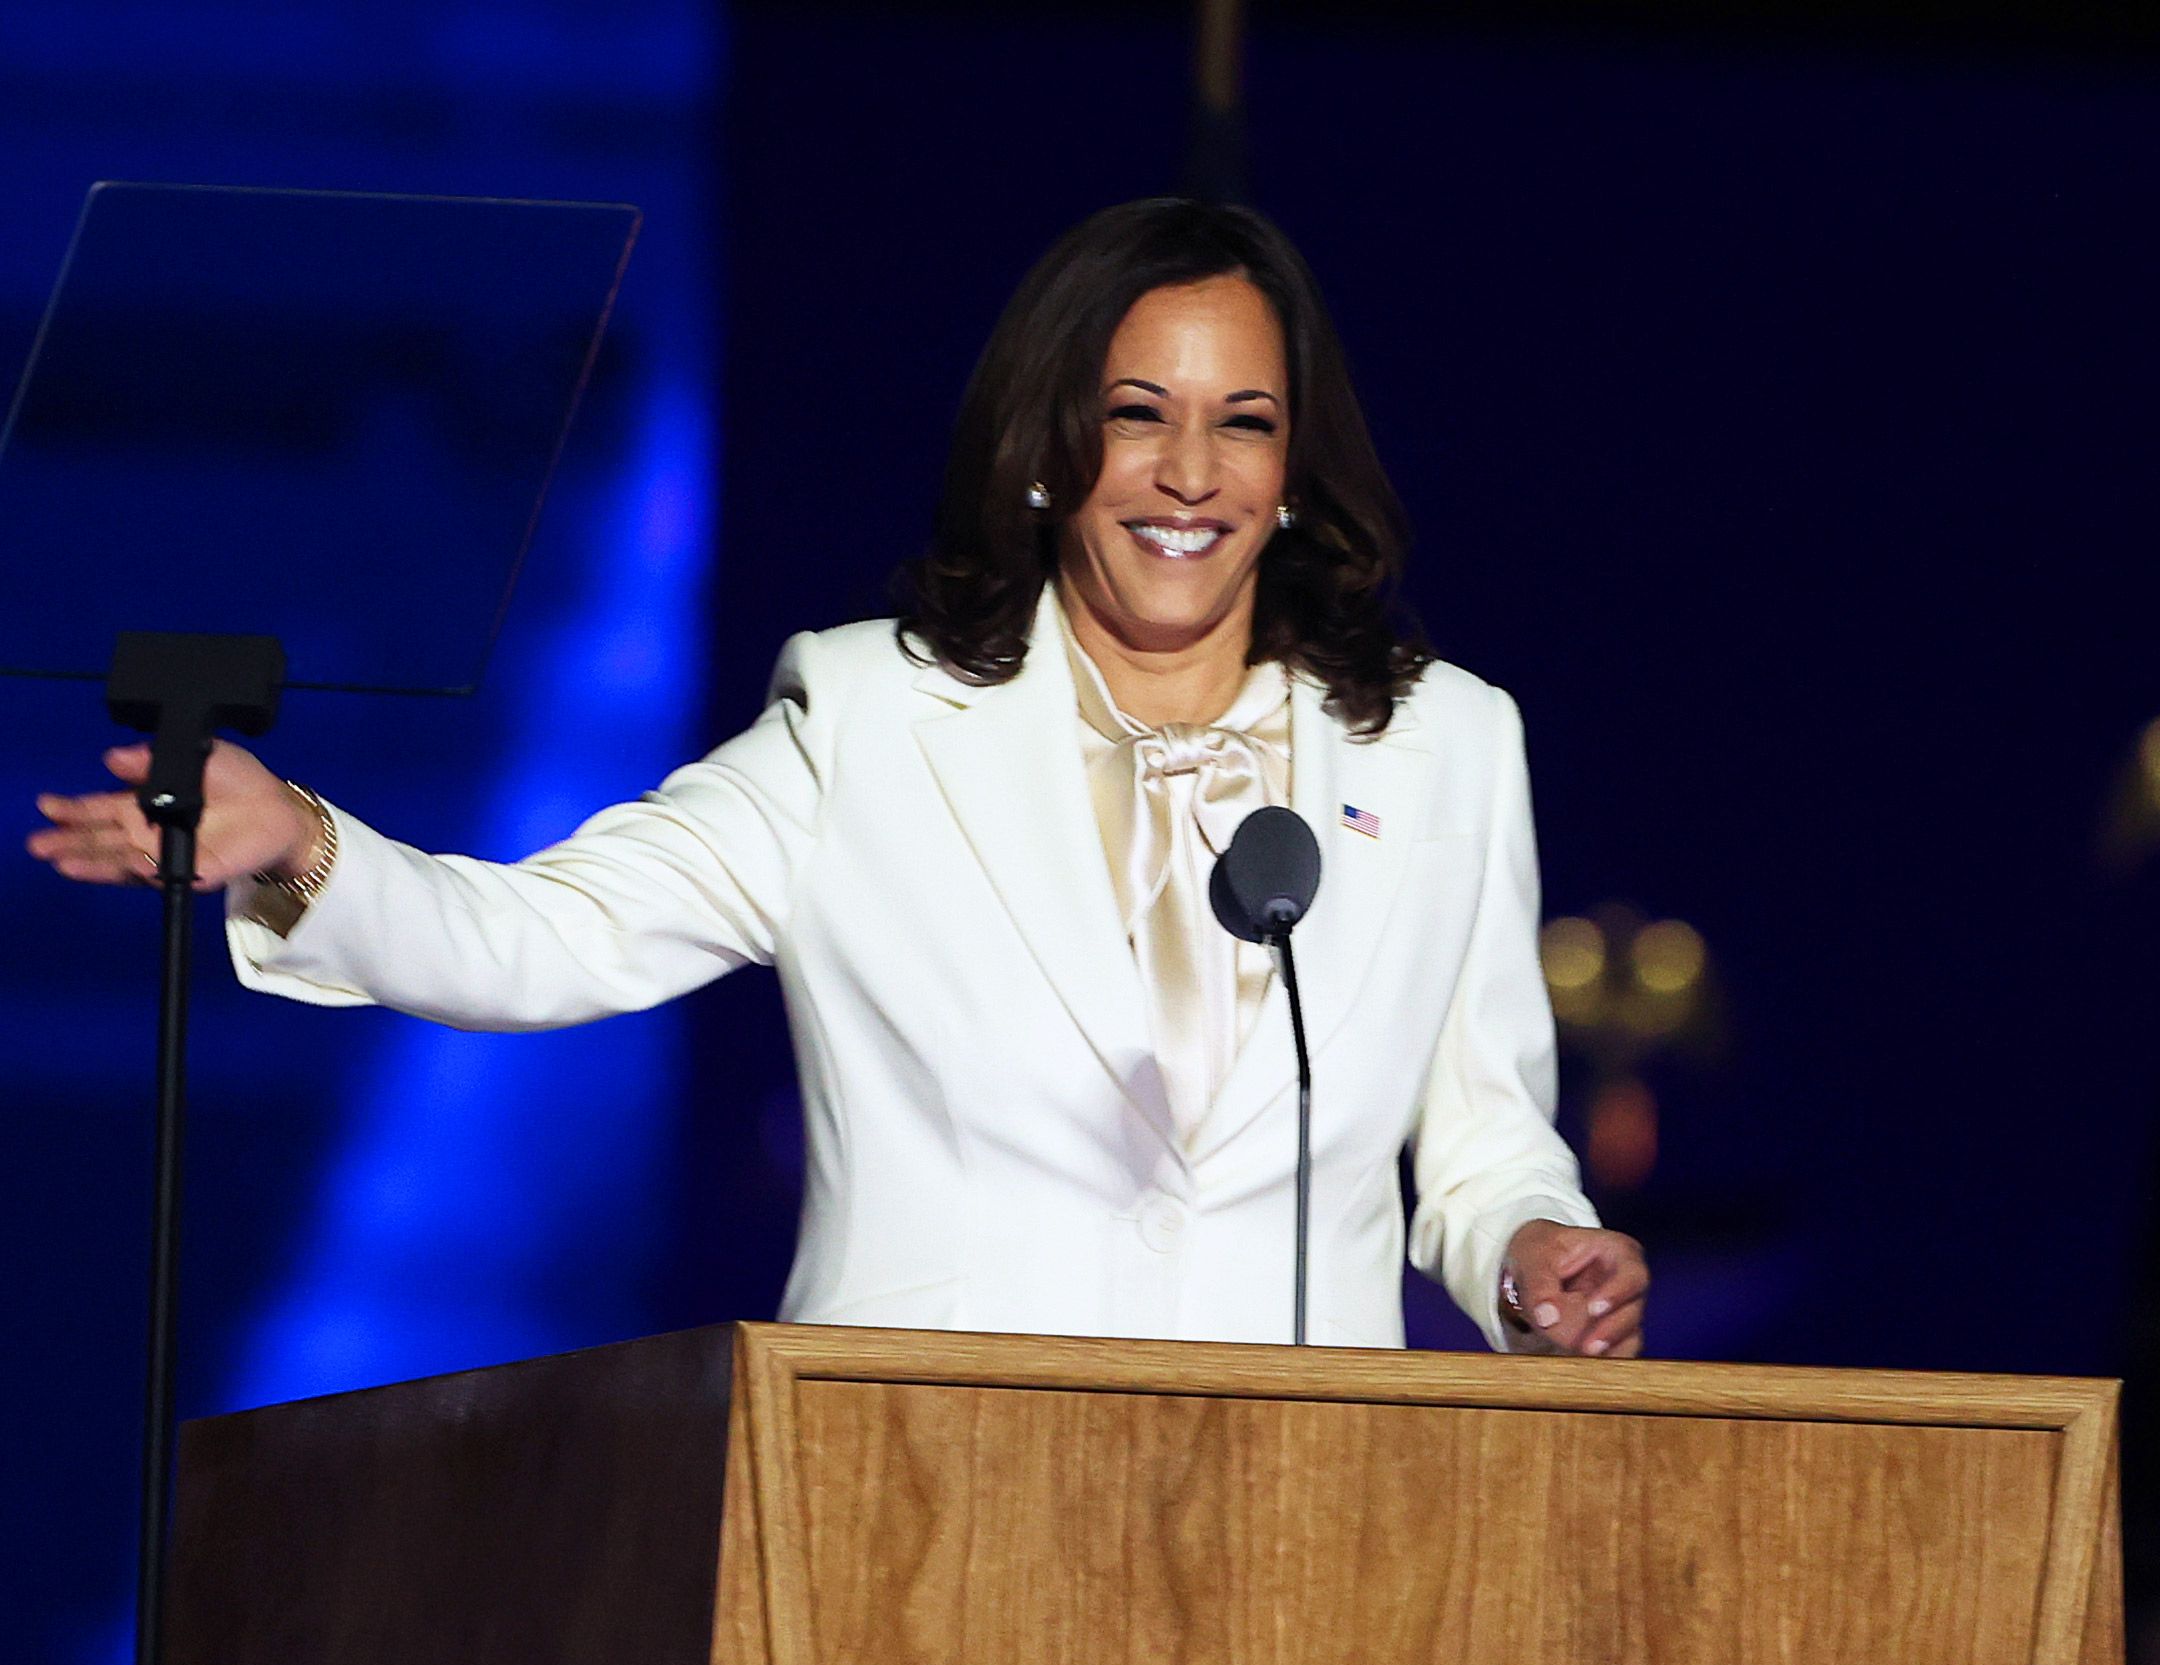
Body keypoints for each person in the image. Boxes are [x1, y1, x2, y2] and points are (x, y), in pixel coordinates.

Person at [28, 198, 1647, 1356]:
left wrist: (1532, 1253)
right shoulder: (870, 720)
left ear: (1293, 470)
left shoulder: (1439, 746)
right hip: (916, 1500)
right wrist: (300, 844)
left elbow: (1483, 1141)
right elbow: (546, 936)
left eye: (1242, 424)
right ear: (1042, 449)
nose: (1188, 474)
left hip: (1314, 1518)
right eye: (1134, 416)